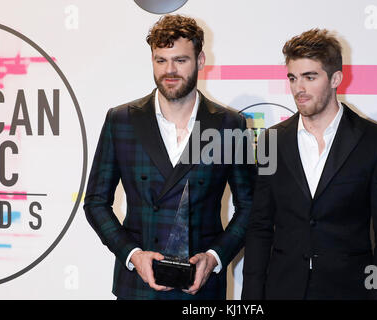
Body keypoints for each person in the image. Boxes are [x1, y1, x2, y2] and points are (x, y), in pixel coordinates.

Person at [84, 14, 255, 300]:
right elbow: (95, 202)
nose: (169, 70)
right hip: (138, 288)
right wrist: (132, 254)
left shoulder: (229, 124)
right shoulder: (122, 120)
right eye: (160, 60)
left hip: (201, 290)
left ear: (200, 61)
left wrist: (214, 257)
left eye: (180, 60)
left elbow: (250, 205)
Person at [242, 28, 377, 300]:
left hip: (349, 290)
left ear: (336, 78)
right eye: (292, 78)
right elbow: (259, 226)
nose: (298, 89)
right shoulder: (272, 140)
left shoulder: (375, 141)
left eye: (309, 77)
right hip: (283, 289)